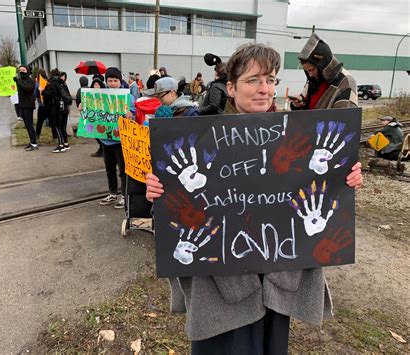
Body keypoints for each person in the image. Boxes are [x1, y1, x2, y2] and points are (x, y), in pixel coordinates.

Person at [145, 43, 363, 354]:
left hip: (276, 276)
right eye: (253, 80)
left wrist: (345, 179)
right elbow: (175, 215)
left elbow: (326, 192)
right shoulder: (199, 140)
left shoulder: (301, 138)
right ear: (230, 87)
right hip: (220, 285)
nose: (264, 89)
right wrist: (161, 193)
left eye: (270, 80)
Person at [98, 67, 135, 209]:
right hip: (105, 139)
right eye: (110, 80)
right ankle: (113, 193)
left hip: (121, 140)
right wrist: (85, 108)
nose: (112, 83)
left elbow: (134, 114)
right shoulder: (101, 97)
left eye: (115, 80)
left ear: (120, 81)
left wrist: (130, 115)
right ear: (106, 81)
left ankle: (125, 197)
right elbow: (94, 113)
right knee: (109, 168)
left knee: (123, 170)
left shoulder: (128, 97)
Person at [290, 33, 358, 110]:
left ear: (323, 65)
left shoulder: (346, 81)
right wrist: (298, 104)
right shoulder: (314, 80)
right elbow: (304, 100)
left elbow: (347, 117)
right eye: (307, 71)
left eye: (312, 70)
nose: (310, 74)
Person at [42, 68, 66, 153]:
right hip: (59, 107)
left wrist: (43, 92)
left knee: (56, 126)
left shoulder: (53, 83)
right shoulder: (60, 82)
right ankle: (63, 143)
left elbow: (51, 94)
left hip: (54, 107)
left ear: (51, 75)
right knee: (59, 126)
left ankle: (61, 145)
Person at [14, 65, 37, 151]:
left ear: (27, 71)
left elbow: (27, 89)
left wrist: (18, 83)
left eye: (23, 70)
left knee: (30, 125)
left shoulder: (30, 81)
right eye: (20, 70)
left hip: (28, 105)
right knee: (26, 125)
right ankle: (31, 142)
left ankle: (34, 143)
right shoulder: (19, 80)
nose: (22, 72)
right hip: (22, 105)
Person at [35, 68, 56, 141]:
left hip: (41, 106)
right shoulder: (48, 82)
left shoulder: (38, 84)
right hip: (49, 105)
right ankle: (55, 135)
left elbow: (35, 94)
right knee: (52, 121)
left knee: (39, 122)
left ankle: (37, 135)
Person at [59, 71, 73, 151]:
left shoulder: (63, 85)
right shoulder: (62, 85)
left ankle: (65, 143)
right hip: (64, 108)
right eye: (62, 76)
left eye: (64, 77)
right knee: (63, 126)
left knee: (62, 126)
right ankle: (66, 143)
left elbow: (68, 96)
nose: (63, 78)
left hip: (64, 108)